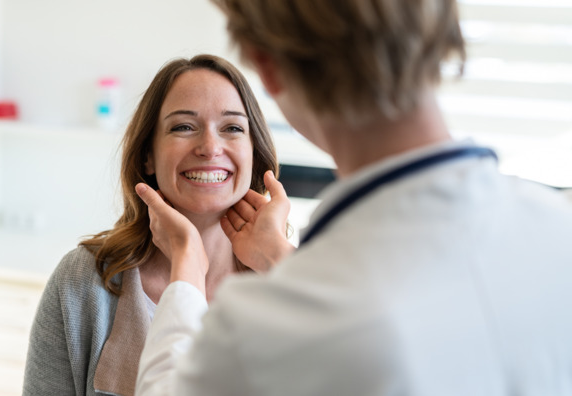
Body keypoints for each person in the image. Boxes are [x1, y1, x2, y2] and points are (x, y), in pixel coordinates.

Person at [134, 1, 572, 395]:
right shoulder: (559, 234)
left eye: (232, 126)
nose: (210, 146)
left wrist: (186, 270)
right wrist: (283, 260)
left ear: (268, 68)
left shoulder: (259, 327)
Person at [22, 54, 279, 396]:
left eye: (232, 128)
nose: (209, 147)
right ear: (148, 156)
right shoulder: (83, 282)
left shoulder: (292, 287)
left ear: (254, 153)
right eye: (183, 127)